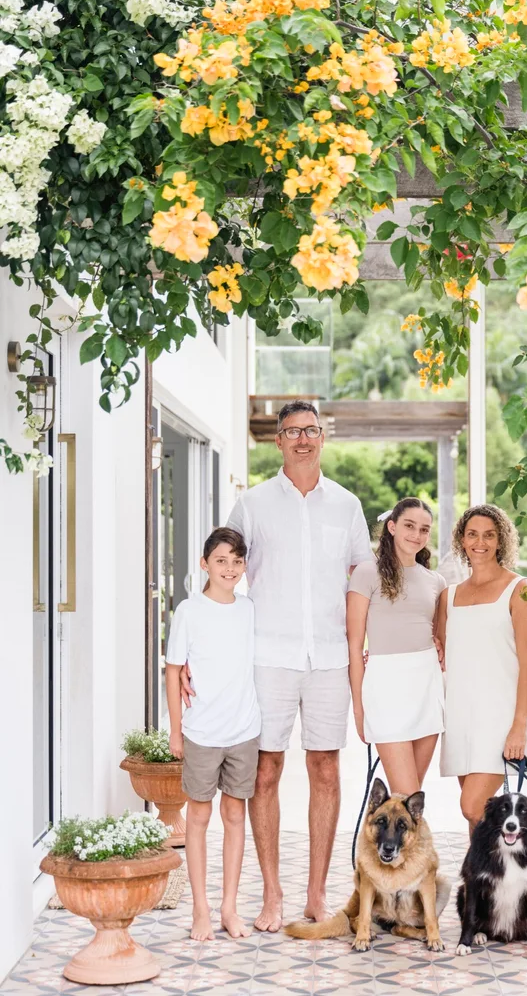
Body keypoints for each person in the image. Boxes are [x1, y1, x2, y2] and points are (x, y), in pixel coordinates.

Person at [181, 399, 373, 932]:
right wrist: (192, 647)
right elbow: (224, 572)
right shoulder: (254, 505)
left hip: (332, 657)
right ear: (278, 441)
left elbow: (362, 578)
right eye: (292, 432)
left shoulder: (347, 505)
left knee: (326, 769)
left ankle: (315, 892)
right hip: (267, 657)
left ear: (322, 436)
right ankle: (271, 894)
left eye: (311, 431)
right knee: (265, 772)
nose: (303, 440)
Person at [166, 527, 260, 941]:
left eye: (237, 561)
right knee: (199, 817)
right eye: (221, 560)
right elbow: (173, 672)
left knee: (236, 816)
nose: (230, 568)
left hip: (244, 729)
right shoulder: (189, 611)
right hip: (202, 731)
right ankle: (200, 910)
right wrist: (175, 732)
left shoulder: (249, 609)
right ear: (204, 564)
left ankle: (229, 908)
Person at [437, 504, 527, 835]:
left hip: (500, 720)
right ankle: (484, 884)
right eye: (472, 534)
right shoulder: (448, 597)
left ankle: (510, 876)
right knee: (476, 817)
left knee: (472, 805)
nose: (479, 542)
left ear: (501, 541)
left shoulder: (520, 590)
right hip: (460, 718)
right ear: (462, 541)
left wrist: (519, 726)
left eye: (489, 535)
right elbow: (437, 653)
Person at [347, 498, 446, 795]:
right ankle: (389, 843)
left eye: (424, 529)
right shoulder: (366, 573)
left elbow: (440, 640)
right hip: (386, 690)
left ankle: (397, 844)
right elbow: (354, 646)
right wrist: (359, 709)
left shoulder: (437, 581)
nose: (417, 534)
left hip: (427, 688)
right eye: (409, 526)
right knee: (405, 795)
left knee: (410, 801)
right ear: (391, 527)